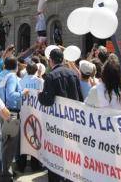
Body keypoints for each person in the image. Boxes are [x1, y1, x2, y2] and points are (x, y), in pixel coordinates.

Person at [38, 49, 83, 182]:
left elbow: (48, 100)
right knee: (70, 152)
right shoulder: (73, 74)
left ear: (51, 60)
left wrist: (40, 95)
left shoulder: (51, 76)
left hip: (56, 123)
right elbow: (80, 98)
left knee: (56, 153)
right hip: (71, 121)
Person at [0, 57, 28, 182]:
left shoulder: (1, 75)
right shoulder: (12, 76)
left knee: (4, 144)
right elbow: (11, 95)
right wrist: (23, 93)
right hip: (11, 113)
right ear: (16, 67)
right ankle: (6, 176)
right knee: (10, 146)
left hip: (1, 111)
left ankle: (3, 171)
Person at [15, 62, 44, 172]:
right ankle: (35, 165)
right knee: (36, 139)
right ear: (36, 70)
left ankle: (21, 165)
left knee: (23, 139)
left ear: (26, 70)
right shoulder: (40, 81)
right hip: (37, 114)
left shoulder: (21, 81)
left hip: (23, 113)